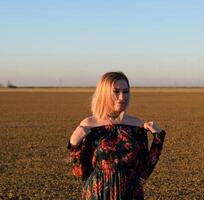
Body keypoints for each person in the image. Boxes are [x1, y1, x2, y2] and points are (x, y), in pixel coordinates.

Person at [67, 71, 166, 200]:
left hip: (131, 195)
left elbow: (144, 170)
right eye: (116, 92)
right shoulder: (89, 125)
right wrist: (74, 143)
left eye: (125, 92)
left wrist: (158, 138)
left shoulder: (137, 126)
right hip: (98, 194)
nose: (122, 97)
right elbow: (80, 172)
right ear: (104, 94)